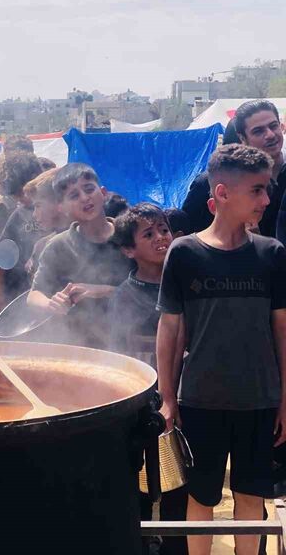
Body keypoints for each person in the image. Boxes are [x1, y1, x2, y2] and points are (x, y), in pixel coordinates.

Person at [157, 144, 286, 555]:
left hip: (260, 399)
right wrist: (166, 397)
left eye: (267, 190)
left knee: (251, 498)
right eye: (257, 190)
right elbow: (171, 329)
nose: (267, 200)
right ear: (223, 194)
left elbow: (282, 329)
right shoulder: (185, 253)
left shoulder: (271, 254)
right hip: (200, 399)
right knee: (202, 497)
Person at [108, 204, 187, 555]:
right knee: (140, 482)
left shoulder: (186, 282)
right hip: (145, 404)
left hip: (188, 394)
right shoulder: (124, 296)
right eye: (149, 234)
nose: (161, 238)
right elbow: (121, 349)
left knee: (179, 484)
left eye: (164, 230)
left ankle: (174, 549)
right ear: (128, 250)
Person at [27, 163, 132, 349]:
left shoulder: (129, 235)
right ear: (61, 207)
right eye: (74, 196)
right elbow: (34, 295)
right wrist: (52, 303)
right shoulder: (58, 246)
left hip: (130, 343)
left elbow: (154, 292)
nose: (85, 198)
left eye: (89, 189)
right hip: (79, 345)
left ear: (103, 192)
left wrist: (105, 290)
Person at [184, 102, 285, 238]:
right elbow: (189, 234)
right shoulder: (209, 183)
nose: (270, 135)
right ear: (242, 138)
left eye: (273, 126)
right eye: (258, 131)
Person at [0, 152, 43, 307]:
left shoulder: (58, 207)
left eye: (22, 193)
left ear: (35, 177)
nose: (21, 199)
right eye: (16, 196)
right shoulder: (19, 214)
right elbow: (2, 252)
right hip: (23, 289)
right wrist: (0, 293)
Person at [23, 168, 70, 280]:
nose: (34, 214)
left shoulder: (88, 234)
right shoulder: (42, 246)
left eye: (38, 206)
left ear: (58, 202)